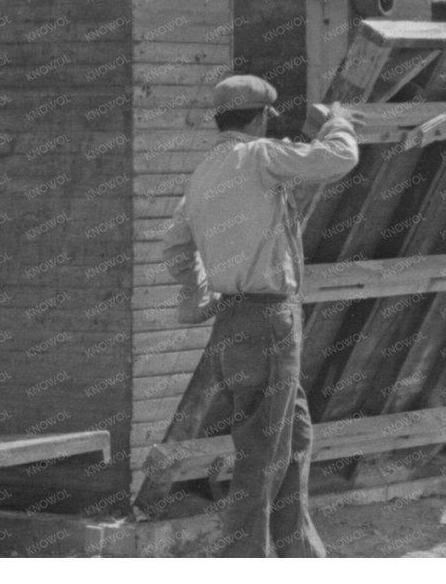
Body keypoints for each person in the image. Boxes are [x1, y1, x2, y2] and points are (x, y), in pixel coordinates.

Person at [162, 75, 362, 555]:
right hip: (269, 321)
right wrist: (339, 122)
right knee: (262, 454)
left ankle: (300, 556)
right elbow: (339, 158)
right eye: (270, 117)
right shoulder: (259, 156)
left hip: (234, 322)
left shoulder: (205, 171)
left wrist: (196, 294)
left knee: (291, 442)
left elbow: (174, 246)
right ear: (260, 116)